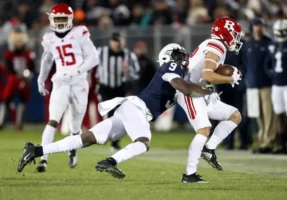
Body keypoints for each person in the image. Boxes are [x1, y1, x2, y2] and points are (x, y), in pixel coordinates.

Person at [17, 43, 212, 181]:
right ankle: (110, 161)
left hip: (131, 110)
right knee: (143, 143)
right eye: (178, 55)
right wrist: (208, 89)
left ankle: (35, 151)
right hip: (137, 109)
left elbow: (188, 91)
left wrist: (205, 90)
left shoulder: (179, 77)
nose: (183, 59)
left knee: (86, 139)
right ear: (168, 58)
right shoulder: (171, 67)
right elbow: (186, 89)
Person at [176, 17, 243, 183]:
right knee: (204, 129)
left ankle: (209, 148)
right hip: (189, 91)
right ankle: (189, 175)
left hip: (201, 91)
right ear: (225, 33)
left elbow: (206, 77)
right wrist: (230, 79)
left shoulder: (217, 46)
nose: (236, 38)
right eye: (234, 34)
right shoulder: (217, 45)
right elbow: (207, 75)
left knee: (234, 116)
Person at [35, 3, 99, 172]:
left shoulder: (79, 33)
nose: (61, 22)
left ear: (70, 19)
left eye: (64, 18)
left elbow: (94, 58)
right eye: (58, 19)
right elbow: (47, 59)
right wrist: (41, 79)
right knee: (53, 120)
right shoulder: (49, 38)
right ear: (52, 19)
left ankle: (72, 150)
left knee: (75, 127)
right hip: (60, 82)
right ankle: (43, 158)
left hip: (79, 82)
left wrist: (76, 71)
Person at [96, 32, 140, 151]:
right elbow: (91, 65)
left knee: (119, 115)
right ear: (110, 42)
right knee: (108, 113)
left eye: (119, 41)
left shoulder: (129, 55)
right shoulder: (101, 52)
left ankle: (114, 141)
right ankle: (105, 136)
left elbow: (136, 74)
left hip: (120, 87)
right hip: (105, 87)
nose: (117, 43)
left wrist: (128, 70)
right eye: (115, 41)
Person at [242, 18, 276, 154]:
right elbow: (245, 64)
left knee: (269, 114)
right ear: (253, 27)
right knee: (258, 114)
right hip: (252, 84)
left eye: (261, 25)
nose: (258, 27)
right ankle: (263, 139)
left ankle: (269, 141)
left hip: (267, 84)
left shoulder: (270, 43)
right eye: (256, 25)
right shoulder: (248, 45)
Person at [267, 19, 287, 154]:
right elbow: (267, 63)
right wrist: (271, 75)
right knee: (279, 113)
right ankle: (283, 144)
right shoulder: (273, 46)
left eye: (283, 31)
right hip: (277, 84)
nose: (280, 33)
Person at [0, 27, 35, 130]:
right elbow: (8, 68)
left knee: (23, 100)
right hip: (13, 79)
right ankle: (1, 122)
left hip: (24, 79)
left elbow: (32, 68)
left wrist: (27, 76)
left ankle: (19, 124)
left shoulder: (28, 54)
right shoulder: (9, 54)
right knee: (7, 100)